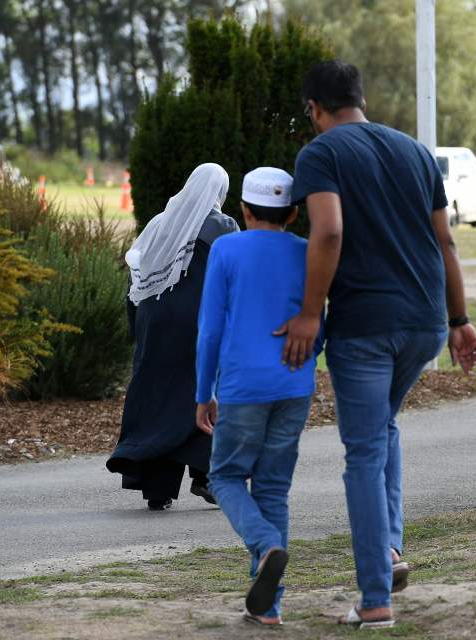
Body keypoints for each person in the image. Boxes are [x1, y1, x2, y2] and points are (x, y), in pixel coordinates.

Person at [281, 60, 476, 629]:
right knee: (383, 429)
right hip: (422, 321)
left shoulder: (321, 154)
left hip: (365, 326)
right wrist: (459, 318)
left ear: (314, 109)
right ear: (360, 99)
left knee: (363, 453)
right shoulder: (415, 152)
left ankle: (374, 599)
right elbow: (445, 239)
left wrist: (308, 313)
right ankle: (389, 552)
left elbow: (329, 231)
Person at [195, 167, 320, 626]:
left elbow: (210, 329)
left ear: (242, 211)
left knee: (225, 476)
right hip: (294, 385)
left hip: (243, 386)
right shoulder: (308, 252)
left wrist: (202, 391)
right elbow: (318, 321)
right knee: (273, 488)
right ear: (291, 214)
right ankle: (269, 607)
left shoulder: (226, 249)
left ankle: (266, 545)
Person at [107, 163, 239, 511]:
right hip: (197, 322)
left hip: (154, 320)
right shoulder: (223, 226)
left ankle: (157, 487)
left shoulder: (159, 223)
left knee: (159, 393)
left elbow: (137, 279)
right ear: (219, 193)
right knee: (205, 388)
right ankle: (208, 474)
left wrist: (136, 325)